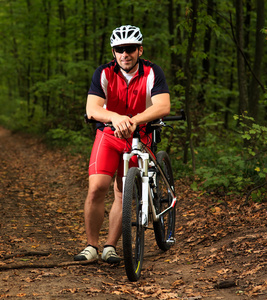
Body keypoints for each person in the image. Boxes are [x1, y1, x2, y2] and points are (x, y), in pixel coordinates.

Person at [74, 25, 171, 263]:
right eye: (119, 49)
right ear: (113, 52)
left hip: (140, 136)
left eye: (129, 49)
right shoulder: (104, 73)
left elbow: (162, 106)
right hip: (108, 135)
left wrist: (134, 120)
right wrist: (116, 118)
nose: (124, 54)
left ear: (139, 50)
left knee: (122, 191)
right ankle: (91, 246)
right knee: (97, 187)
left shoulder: (152, 72)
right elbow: (92, 108)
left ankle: (111, 247)